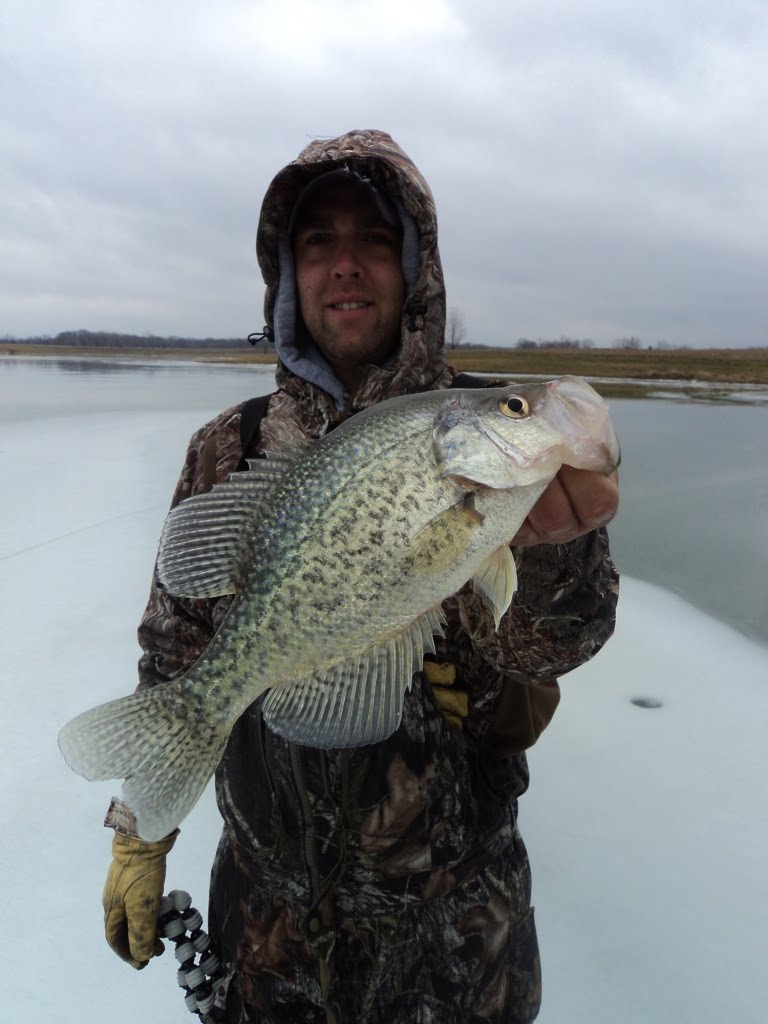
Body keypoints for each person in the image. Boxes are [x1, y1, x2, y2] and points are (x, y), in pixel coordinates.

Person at [102, 129, 619, 1024]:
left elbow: (560, 645)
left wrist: (554, 549)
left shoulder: (495, 437)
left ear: (415, 268)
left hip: (457, 931)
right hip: (269, 932)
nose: (347, 266)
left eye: (375, 241)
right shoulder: (228, 448)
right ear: (287, 276)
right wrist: (140, 830)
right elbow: (175, 652)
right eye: (319, 244)